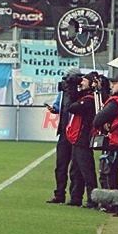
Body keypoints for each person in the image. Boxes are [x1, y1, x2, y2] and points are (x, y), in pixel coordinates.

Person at [92, 74, 118, 215]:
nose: (112, 86)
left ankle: (115, 206)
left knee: (110, 175)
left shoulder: (116, 102)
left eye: (114, 83)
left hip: (114, 142)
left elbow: (98, 120)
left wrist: (104, 124)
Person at [65, 71, 99, 208]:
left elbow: (71, 107)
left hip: (83, 138)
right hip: (79, 138)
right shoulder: (85, 97)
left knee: (86, 170)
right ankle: (76, 197)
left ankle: (92, 199)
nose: (81, 83)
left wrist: (70, 89)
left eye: (84, 81)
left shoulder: (89, 100)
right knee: (76, 170)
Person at [45, 73, 79, 204]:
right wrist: (54, 109)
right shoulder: (63, 92)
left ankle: (75, 197)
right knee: (60, 165)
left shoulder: (80, 93)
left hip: (76, 133)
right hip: (64, 132)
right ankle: (59, 193)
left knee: (75, 168)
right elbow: (58, 106)